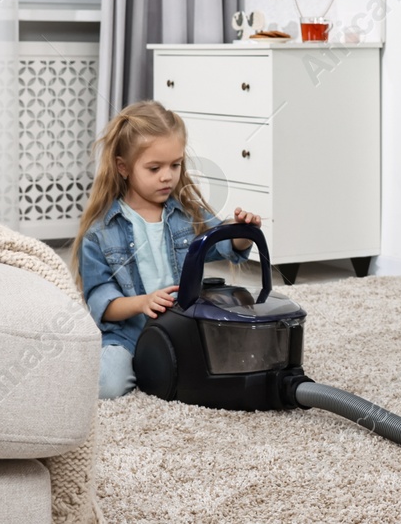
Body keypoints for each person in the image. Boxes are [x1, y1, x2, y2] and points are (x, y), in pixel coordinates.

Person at [71, 99, 263, 399]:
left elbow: (221, 244)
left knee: (227, 368)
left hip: (182, 329)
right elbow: (101, 303)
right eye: (154, 168)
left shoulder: (185, 213)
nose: (167, 176)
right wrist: (142, 302)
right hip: (128, 334)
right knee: (108, 387)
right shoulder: (101, 232)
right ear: (123, 167)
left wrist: (242, 232)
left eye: (175, 165)